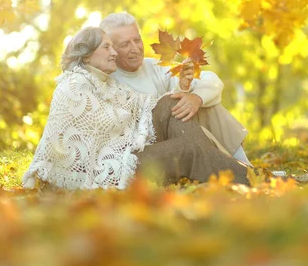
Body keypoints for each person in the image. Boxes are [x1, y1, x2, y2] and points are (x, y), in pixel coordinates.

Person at [22, 26, 250, 190]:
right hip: (115, 169)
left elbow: (142, 105)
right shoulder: (73, 86)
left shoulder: (104, 82)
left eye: (113, 47)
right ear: (88, 55)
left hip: (128, 155)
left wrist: (183, 90)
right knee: (186, 148)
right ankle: (251, 177)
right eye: (107, 47)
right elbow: (100, 133)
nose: (114, 53)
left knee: (172, 102)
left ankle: (229, 169)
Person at [99, 12, 252, 166]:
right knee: (181, 106)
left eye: (137, 40)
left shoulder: (153, 67)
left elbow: (211, 80)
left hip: (181, 135)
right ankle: (236, 168)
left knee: (204, 104)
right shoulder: (106, 79)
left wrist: (196, 97)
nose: (135, 49)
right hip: (151, 152)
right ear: (111, 49)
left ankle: (245, 165)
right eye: (125, 44)